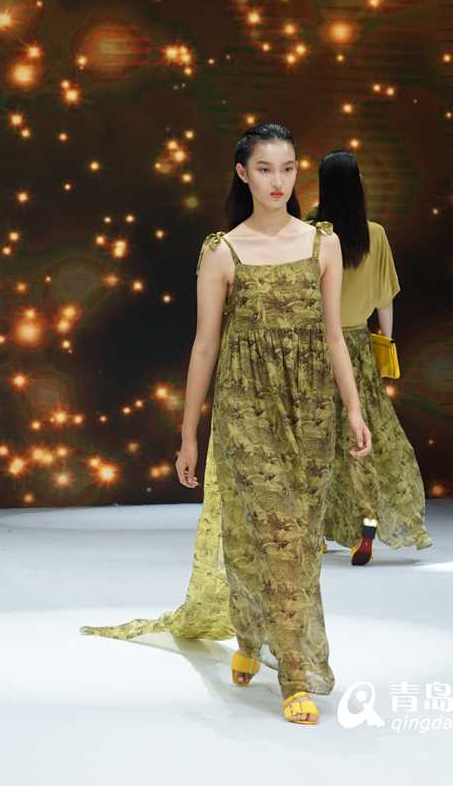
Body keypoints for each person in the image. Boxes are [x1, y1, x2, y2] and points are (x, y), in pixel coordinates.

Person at [81, 124, 372, 726]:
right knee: (264, 532)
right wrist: (188, 434)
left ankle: (252, 636)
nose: (278, 181)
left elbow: (333, 337)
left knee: (298, 538)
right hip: (245, 411)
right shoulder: (222, 251)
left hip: (310, 412)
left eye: (287, 168)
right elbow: (205, 347)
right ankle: (293, 673)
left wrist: (352, 408)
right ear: (243, 173)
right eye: (265, 169)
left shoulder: (323, 243)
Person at [306, 149, 433, 565]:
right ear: (358, 184)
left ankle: (315, 529)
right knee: (366, 436)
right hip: (358, 346)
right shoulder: (374, 234)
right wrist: (385, 344)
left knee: (315, 436)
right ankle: (368, 521)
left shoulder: (310, 231)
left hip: (315, 346)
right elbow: (385, 300)